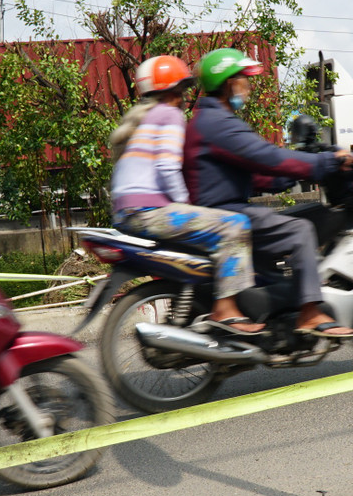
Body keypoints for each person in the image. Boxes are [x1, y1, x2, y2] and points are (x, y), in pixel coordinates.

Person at [183, 48, 353, 339]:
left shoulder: (210, 120)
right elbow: (269, 157)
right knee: (300, 230)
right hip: (224, 212)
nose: (248, 88)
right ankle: (310, 313)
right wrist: (326, 163)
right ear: (228, 84)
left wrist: (286, 178)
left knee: (282, 225)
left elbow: (254, 171)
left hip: (221, 207)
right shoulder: (219, 124)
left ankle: (272, 315)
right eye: (243, 80)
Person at [110, 55, 263, 334]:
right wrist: (187, 203)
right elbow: (167, 167)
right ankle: (226, 310)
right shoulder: (169, 115)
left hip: (127, 212)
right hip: (148, 211)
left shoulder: (142, 120)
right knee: (235, 225)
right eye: (182, 91)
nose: (184, 98)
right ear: (173, 91)